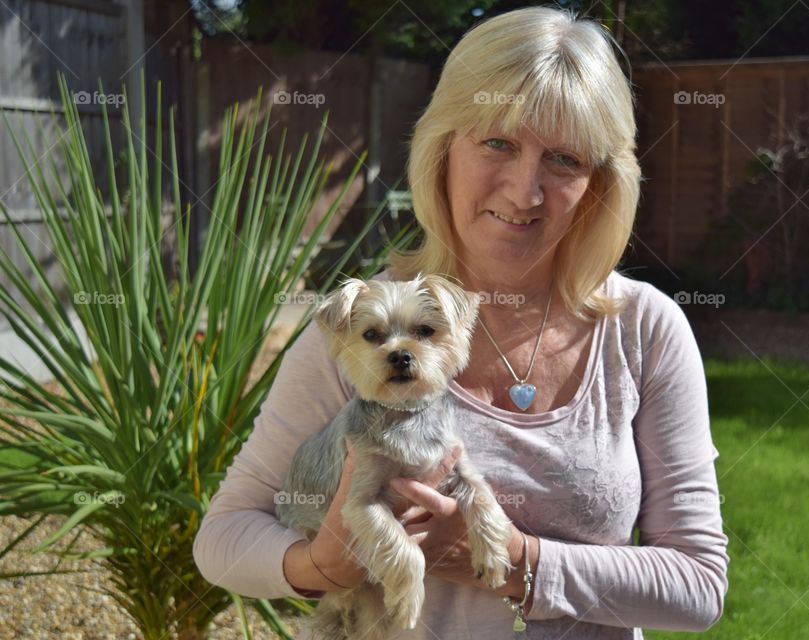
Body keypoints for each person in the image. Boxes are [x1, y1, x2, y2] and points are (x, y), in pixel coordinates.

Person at [193, 6, 729, 639]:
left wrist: (507, 562)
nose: (524, 191)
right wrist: (320, 565)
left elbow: (697, 586)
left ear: (599, 184)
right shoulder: (362, 331)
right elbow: (224, 539)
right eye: (497, 142)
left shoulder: (646, 330)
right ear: (443, 148)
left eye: (563, 159)